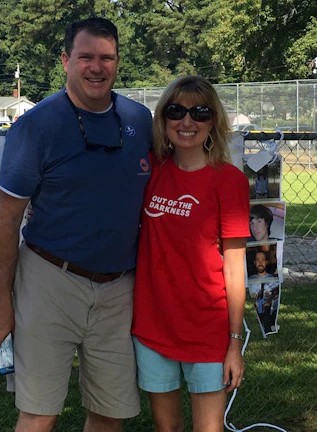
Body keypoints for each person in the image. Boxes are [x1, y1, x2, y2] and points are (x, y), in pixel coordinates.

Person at [0, 17, 153, 432]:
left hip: (119, 287)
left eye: (106, 57)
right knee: (40, 412)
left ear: (117, 61)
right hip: (50, 279)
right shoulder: (36, 126)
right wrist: (2, 304)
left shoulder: (140, 120)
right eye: (86, 56)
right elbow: (6, 222)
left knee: (111, 411)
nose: (97, 67)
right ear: (66, 61)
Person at [132, 75, 249, 432]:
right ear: (163, 119)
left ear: (213, 121)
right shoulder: (149, 171)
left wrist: (233, 344)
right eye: (176, 111)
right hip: (153, 326)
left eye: (199, 112)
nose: (187, 122)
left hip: (207, 330)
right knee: (166, 428)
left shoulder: (229, 181)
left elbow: (234, 268)